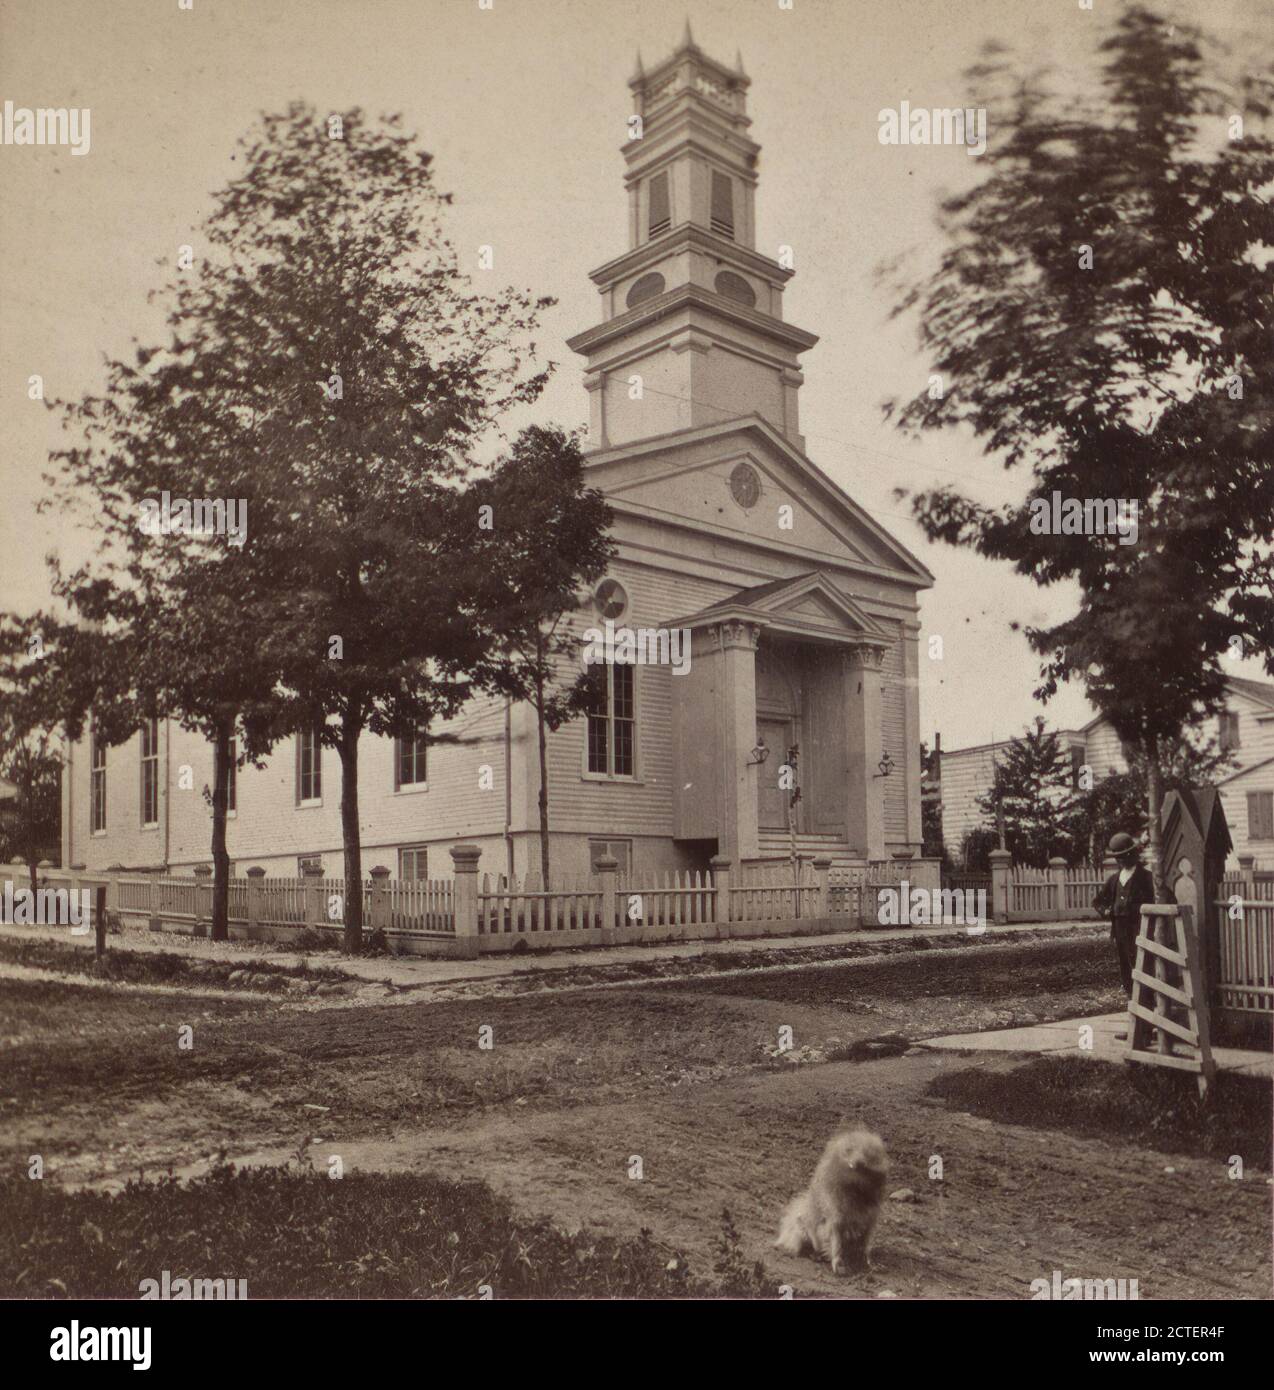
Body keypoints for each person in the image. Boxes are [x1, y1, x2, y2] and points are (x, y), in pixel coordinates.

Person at [1092, 832, 1155, 998]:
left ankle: (1145, 1000)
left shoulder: (1146, 878)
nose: (1122, 861)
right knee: (1125, 963)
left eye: (1125, 856)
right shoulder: (1114, 880)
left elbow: (1155, 901)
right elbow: (1098, 901)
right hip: (1120, 929)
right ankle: (1131, 996)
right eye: (1118, 858)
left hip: (1139, 928)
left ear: (1133, 855)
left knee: (1142, 963)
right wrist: (1106, 911)